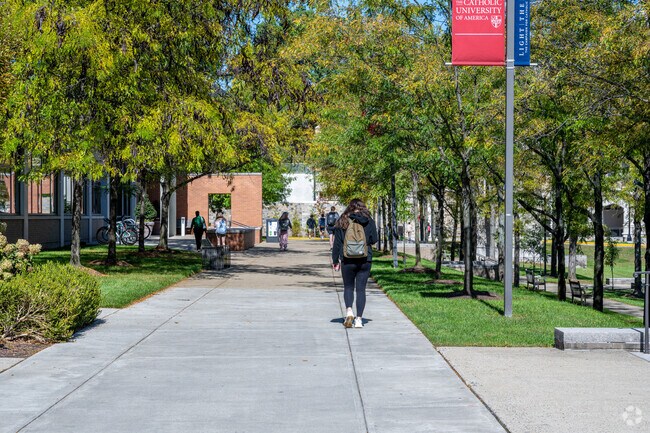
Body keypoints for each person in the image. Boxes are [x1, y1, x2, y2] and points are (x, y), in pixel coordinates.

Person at [331, 199, 377, 328]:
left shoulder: (343, 220)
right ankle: (359, 319)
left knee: (348, 287)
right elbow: (374, 239)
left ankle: (349, 311)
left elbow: (337, 243)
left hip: (347, 259)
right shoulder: (369, 220)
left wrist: (335, 260)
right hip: (365, 259)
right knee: (361, 289)